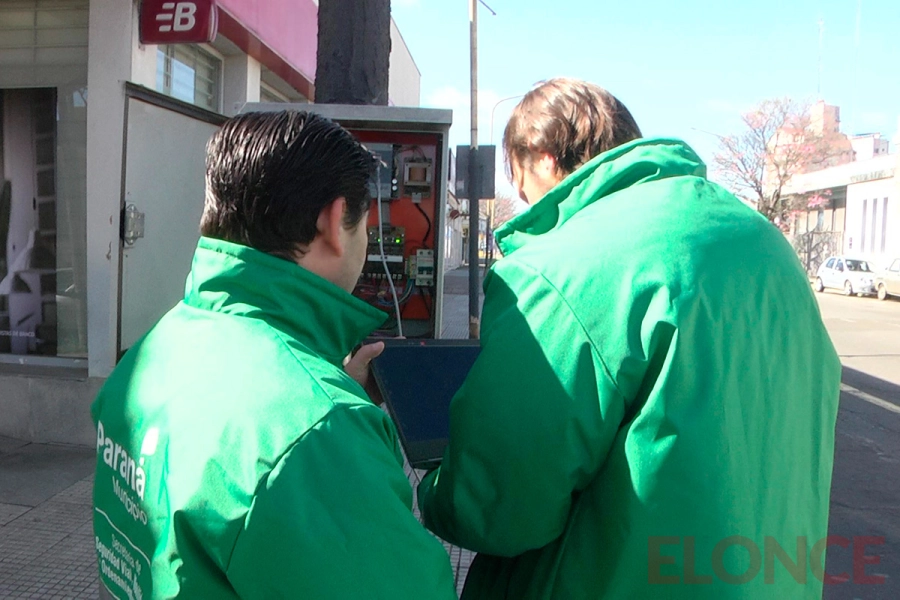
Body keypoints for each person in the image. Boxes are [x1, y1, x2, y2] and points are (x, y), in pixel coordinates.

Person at [417, 78, 841, 599]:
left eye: (521, 184)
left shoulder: (563, 266)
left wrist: (433, 489)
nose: (524, 202)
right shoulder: (765, 245)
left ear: (544, 159)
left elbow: (498, 507)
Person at [91, 110, 456, 600]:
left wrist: (325, 381)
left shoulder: (155, 348)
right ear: (333, 221)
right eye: (364, 226)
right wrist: (327, 410)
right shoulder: (319, 433)